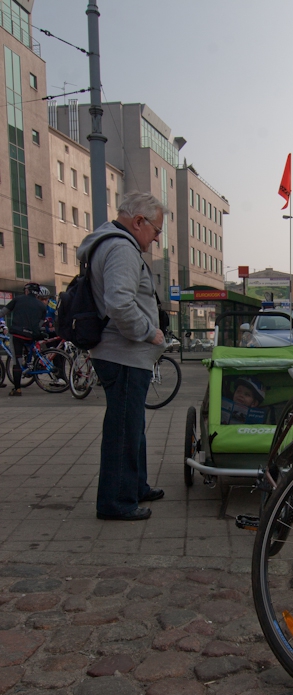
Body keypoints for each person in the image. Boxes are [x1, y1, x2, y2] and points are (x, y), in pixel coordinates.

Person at [76, 191, 168, 521]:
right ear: (138, 221)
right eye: (156, 230)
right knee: (124, 431)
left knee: (132, 426)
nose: (156, 239)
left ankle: (135, 486)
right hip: (124, 354)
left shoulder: (111, 244)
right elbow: (119, 304)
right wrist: (150, 331)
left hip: (122, 354)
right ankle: (116, 501)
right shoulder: (121, 248)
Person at [0, 282, 46, 396]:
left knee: (17, 361)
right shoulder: (41, 306)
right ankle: (29, 362)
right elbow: (40, 324)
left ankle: (17, 389)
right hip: (31, 335)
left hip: (17, 334)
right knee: (28, 350)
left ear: (26, 291)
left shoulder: (18, 299)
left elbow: (3, 312)